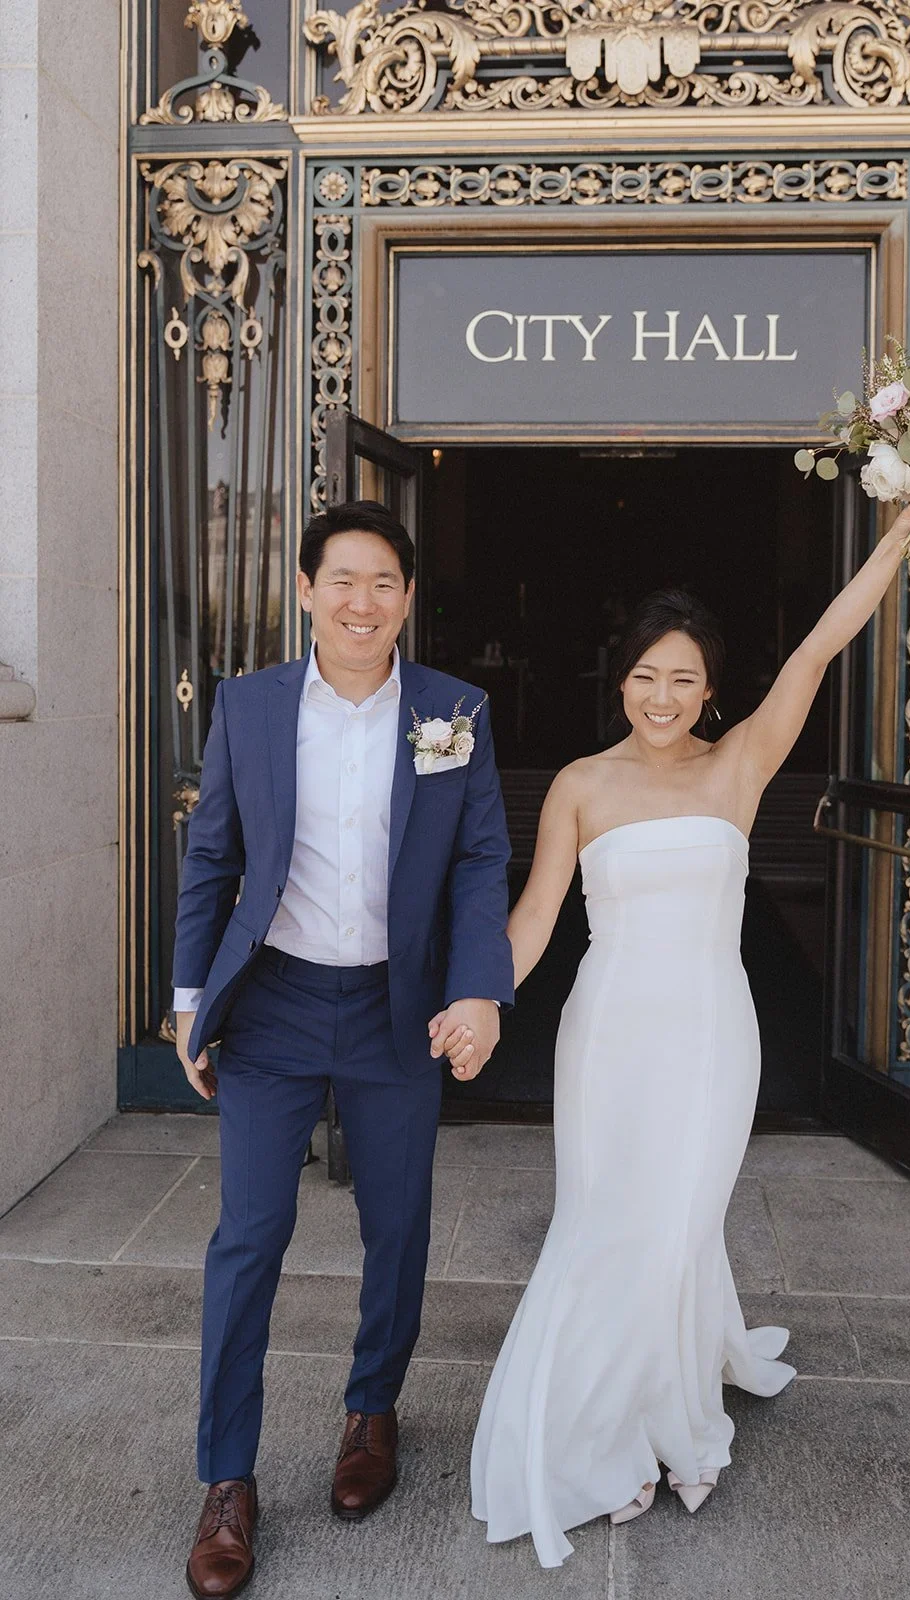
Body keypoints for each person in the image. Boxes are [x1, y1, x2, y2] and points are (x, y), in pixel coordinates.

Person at [454, 498, 910, 1567]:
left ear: (710, 690)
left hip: (708, 1035)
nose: (661, 697)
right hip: (606, 1033)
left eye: (683, 678)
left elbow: (823, 643)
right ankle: (613, 1426)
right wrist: (479, 997)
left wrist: (903, 530)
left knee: (676, 1221)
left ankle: (674, 1409)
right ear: (619, 677)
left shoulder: (739, 766)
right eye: (645, 674)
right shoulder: (581, 785)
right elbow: (537, 916)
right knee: (607, 1221)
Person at [173, 500, 512, 1600]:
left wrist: (477, 989)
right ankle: (228, 1479)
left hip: (392, 1008)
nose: (362, 601)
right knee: (249, 1238)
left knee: (396, 1225)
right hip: (270, 1005)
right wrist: (189, 997)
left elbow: (475, 859)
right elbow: (212, 854)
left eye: (384, 583)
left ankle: (371, 1411)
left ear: (407, 599)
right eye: (343, 580)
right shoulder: (252, 705)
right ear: (308, 591)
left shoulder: (452, 710)